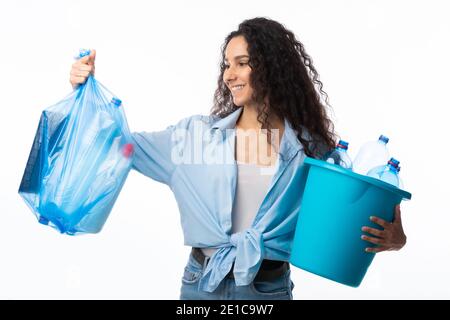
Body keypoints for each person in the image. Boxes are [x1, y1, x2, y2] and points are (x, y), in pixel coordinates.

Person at [69, 17, 407, 300]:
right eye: (227, 65)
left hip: (268, 290)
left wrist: (395, 239)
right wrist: (84, 93)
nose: (229, 75)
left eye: (242, 64)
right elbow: (117, 144)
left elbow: (343, 218)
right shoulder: (194, 137)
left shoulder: (311, 149)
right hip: (201, 286)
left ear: (272, 69)